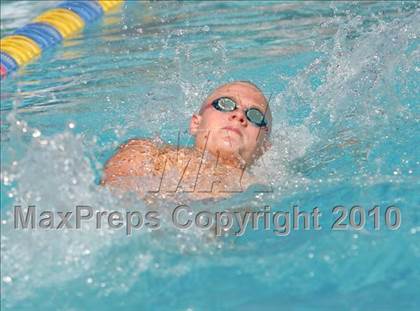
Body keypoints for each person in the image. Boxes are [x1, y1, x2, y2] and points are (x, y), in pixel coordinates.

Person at [101, 81, 272, 201]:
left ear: (264, 148)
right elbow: (113, 196)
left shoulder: (258, 190)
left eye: (255, 116)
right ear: (195, 124)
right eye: (226, 104)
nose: (239, 115)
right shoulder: (147, 151)